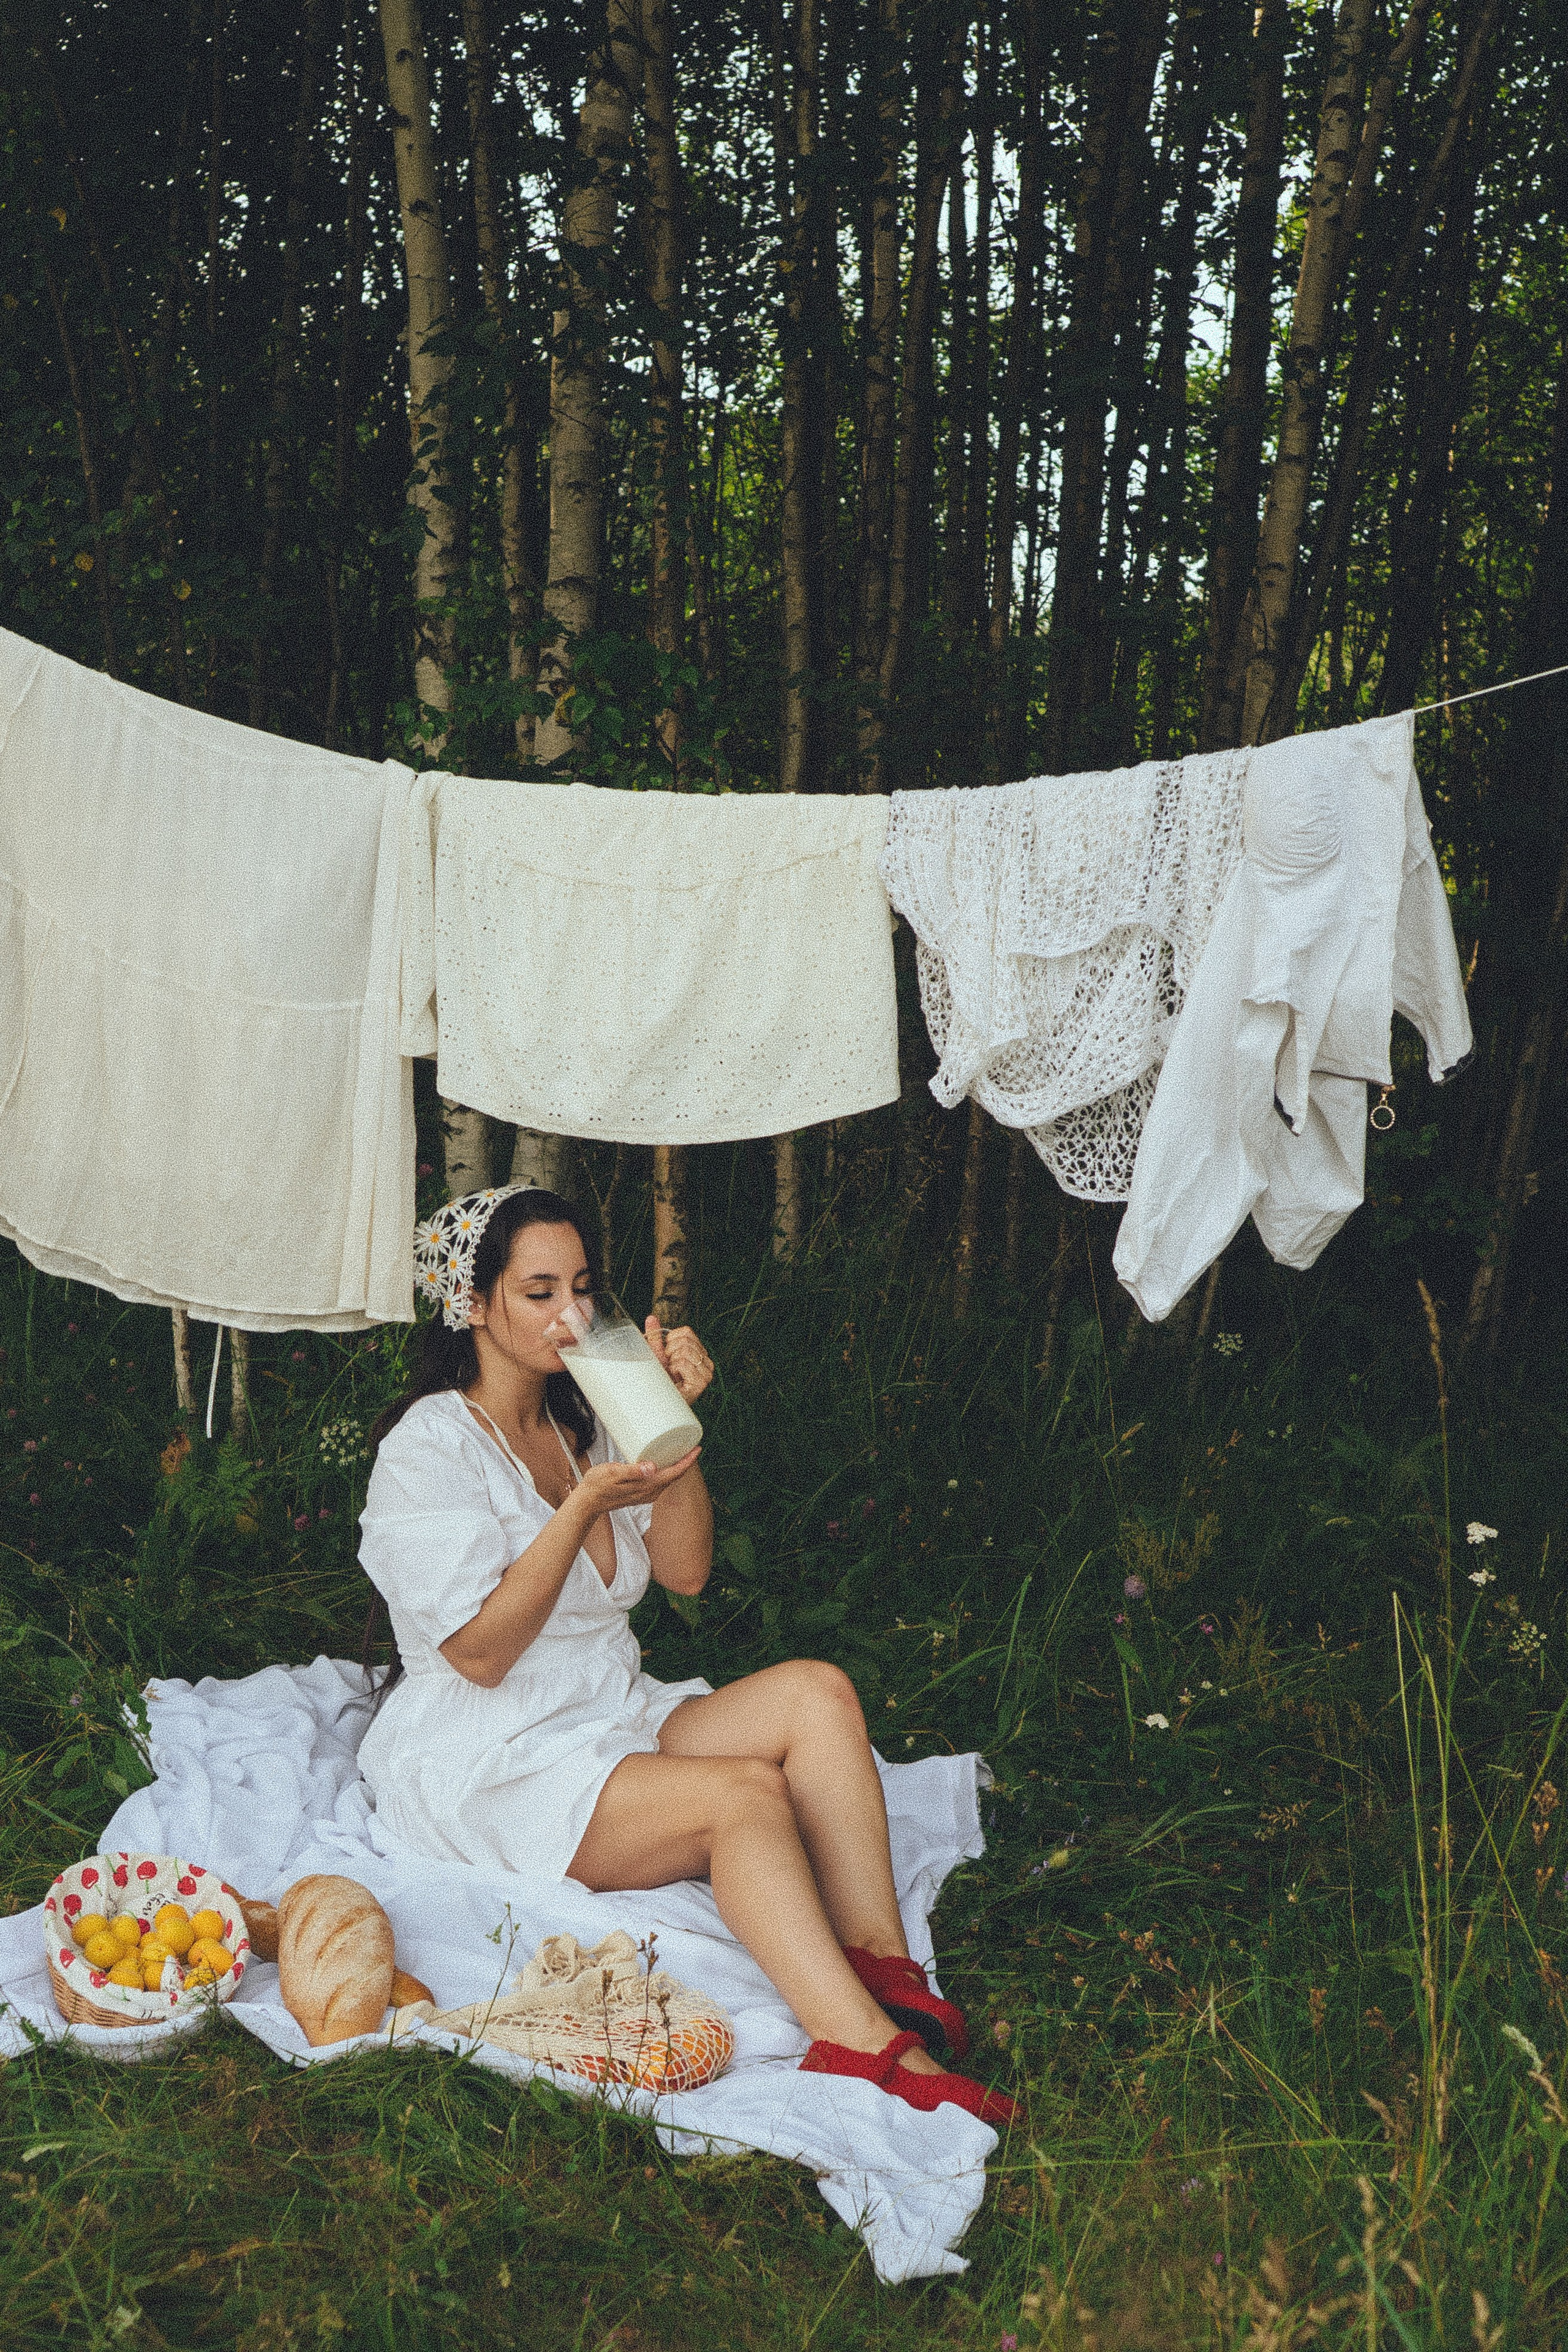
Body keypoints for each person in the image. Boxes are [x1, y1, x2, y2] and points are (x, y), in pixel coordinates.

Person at [357, 1183, 1014, 2126]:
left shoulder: (584, 1416)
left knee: (817, 1695)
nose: (572, 1315)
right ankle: (860, 2044)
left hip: (606, 1708)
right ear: (471, 1305)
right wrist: (582, 1507)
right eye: (539, 1293)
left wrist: (672, 1429)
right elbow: (481, 1652)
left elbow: (688, 1574)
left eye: (582, 1287)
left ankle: (880, 1964)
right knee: (742, 1796)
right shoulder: (429, 1448)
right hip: (493, 1754)